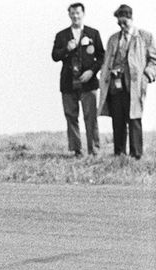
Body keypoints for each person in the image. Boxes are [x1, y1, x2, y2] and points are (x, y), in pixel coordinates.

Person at [97, 5, 156, 159]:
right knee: (118, 119)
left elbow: (153, 61)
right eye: (119, 23)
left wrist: (146, 76)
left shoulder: (145, 37)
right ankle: (119, 154)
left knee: (135, 118)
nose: (122, 26)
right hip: (115, 86)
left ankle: (136, 154)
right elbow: (107, 60)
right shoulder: (113, 39)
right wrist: (108, 73)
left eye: (125, 22)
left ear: (131, 18)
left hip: (135, 85)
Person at [51, 3, 105, 157]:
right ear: (69, 14)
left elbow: (102, 56)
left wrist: (92, 71)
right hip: (68, 83)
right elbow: (54, 56)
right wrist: (66, 49)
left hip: (89, 83)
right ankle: (76, 151)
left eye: (78, 13)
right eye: (72, 13)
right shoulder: (61, 35)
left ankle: (94, 150)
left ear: (83, 14)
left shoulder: (93, 33)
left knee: (91, 117)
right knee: (71, 116)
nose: (75, 16)